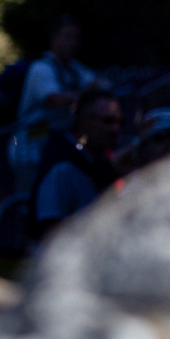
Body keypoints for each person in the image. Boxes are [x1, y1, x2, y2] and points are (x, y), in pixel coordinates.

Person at [10, 15, 97, 192]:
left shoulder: (72, 68)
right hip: (29, 150)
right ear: (54, 38)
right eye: (67, 36)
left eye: (76, 37)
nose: (72, 43)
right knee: (35, 195)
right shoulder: (41, 69)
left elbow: (96, 83)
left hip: (50, 147)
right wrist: (86, 97)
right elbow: (53, 98)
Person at [31, 89, 123, 241]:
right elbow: (50, 233)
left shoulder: (99, 161)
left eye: (120, 122)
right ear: (84, 121)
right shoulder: (61, 166)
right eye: (107, 121)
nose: (115, 129)